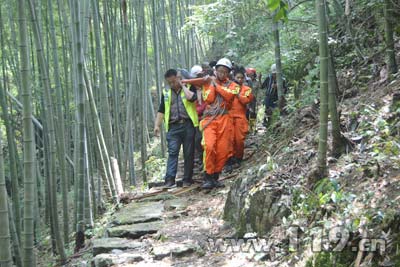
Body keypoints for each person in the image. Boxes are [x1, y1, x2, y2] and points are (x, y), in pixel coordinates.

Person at [154, 69, 198, 188]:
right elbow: (161, 110)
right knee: (173, 152)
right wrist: (157, 125)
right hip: (173, 127)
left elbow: (192, 98)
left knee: (189, 153)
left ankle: (187, 179)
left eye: (174, 81)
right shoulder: (166, 92)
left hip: (188, 124)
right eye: (170, 83)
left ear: (178, 78)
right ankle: (169, 180)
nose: (172, 84)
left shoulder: (190, 87)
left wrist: (182, 85)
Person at [200, 58, 239, 189]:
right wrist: (212, 84)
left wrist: (216, 85)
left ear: (228, 73)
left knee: (223, 150)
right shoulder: (208, 83)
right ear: (215, 71)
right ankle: (208, 176)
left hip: (224, 119)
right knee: (210, 146)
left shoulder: (233, 86)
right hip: (210, 119)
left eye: (224, 72)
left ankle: (216, 176)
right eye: (219, 71)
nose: (222, 74)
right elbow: (209, 99)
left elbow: (229, 96)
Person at [227, 68, 254, 168]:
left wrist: (237, 94)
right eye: (237, 77)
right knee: (229, 140)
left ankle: (238, 158)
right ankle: (230, 159)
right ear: (234, 77)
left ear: (244, 79)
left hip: (240, 117)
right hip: (229, 117)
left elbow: (246, 101)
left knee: (239, 140)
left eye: (241, 78)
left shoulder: (247, 89)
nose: (239, 79)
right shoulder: (229, 87)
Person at [190, 65, 207, 171]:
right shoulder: (190, 89)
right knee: (197, 140)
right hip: (196, 119)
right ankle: (201, 159)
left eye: (200, 76)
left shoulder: (207, 86)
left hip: (208, 117)